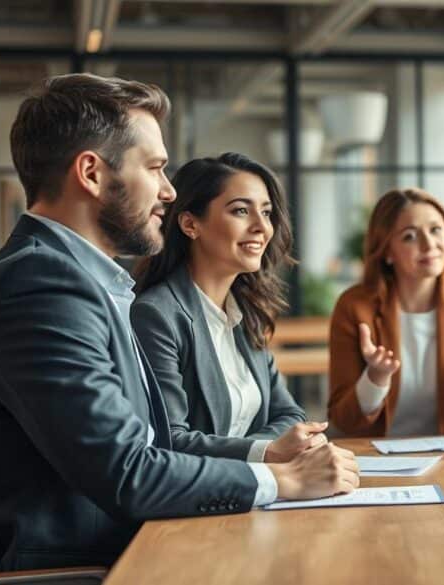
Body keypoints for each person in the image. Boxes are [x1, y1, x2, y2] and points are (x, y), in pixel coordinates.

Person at [0, 74, 358, 573]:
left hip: (128, 552)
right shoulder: (41, 287)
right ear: (92, 173)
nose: (168, 191)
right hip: (80, 571)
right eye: (156, 168)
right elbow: (128, 473)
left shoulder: (82, 281)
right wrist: (286, 480)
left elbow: (152, 447)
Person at [132, 153, 326, 465]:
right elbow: (169, 440)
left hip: (257, 491)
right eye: (240, 211)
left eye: (266, 212)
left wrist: (267, 449)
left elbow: (289, 413)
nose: (262, 227)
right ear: (190, 224)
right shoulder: (156, 315)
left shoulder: (245, 310)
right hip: (197, 503)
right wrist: (266, 451)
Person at [328, 188, 444, 436]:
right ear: (386, 251)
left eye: (436, 230)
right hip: (376, 458)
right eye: (410, 236)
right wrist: (374, 378)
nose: (429, 245)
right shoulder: (353, 306)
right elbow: (343, 420)